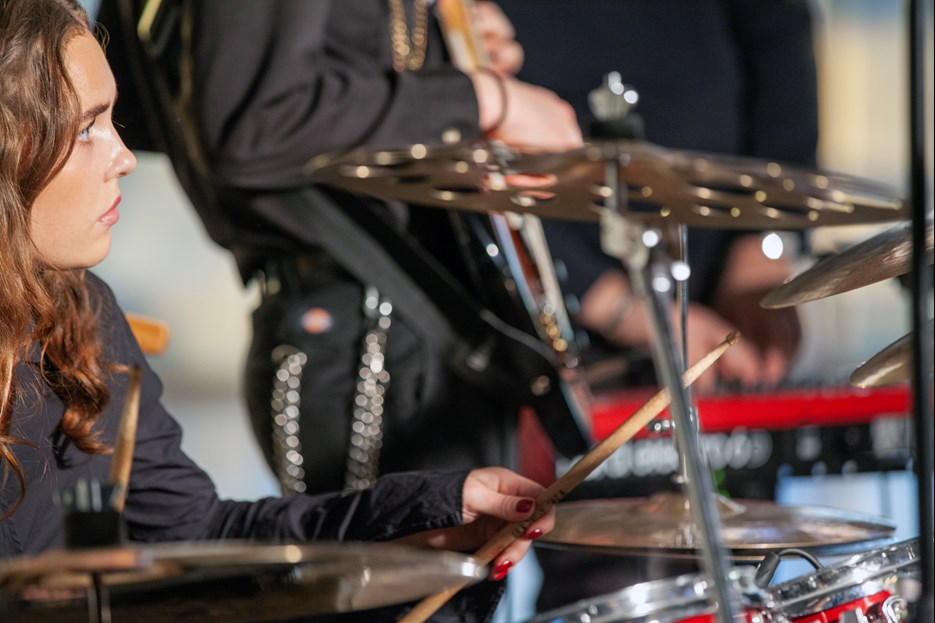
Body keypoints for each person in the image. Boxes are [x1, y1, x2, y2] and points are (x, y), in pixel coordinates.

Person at [0, 3, 554, 621]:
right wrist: (478, 100)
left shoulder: (79, 310)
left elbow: (193, 539)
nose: (124, 156)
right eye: (86, 129)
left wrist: (428, 513)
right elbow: (246, 126)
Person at [95, 0, 588, 500]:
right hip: (365, 332)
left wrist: (440, 45)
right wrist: (483, 99)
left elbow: (146, 103)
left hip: (382, 322)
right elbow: (251, 125)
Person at [494, 0, 818, 612]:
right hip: (554, 316)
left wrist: (765, 250)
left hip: (724, 288)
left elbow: (778, 41)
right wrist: (607, 299)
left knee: (746, 570)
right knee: (618, 586)